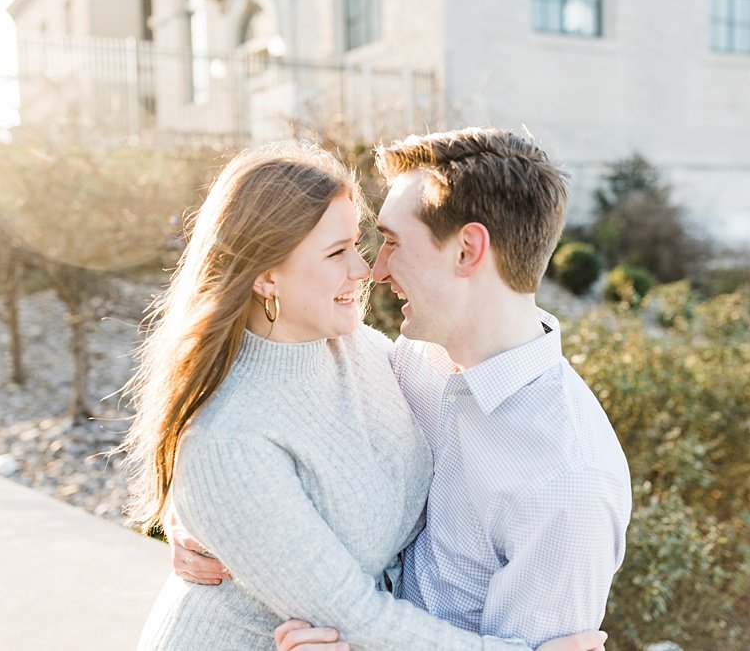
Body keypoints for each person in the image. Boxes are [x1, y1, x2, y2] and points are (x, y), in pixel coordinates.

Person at [122, 140, 605, 651]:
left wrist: (211, 511)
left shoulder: (368, 352)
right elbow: (352, 615)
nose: (365, 269)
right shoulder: (227, 439)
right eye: (337, 253)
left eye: (360, 243)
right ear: (265, 276)